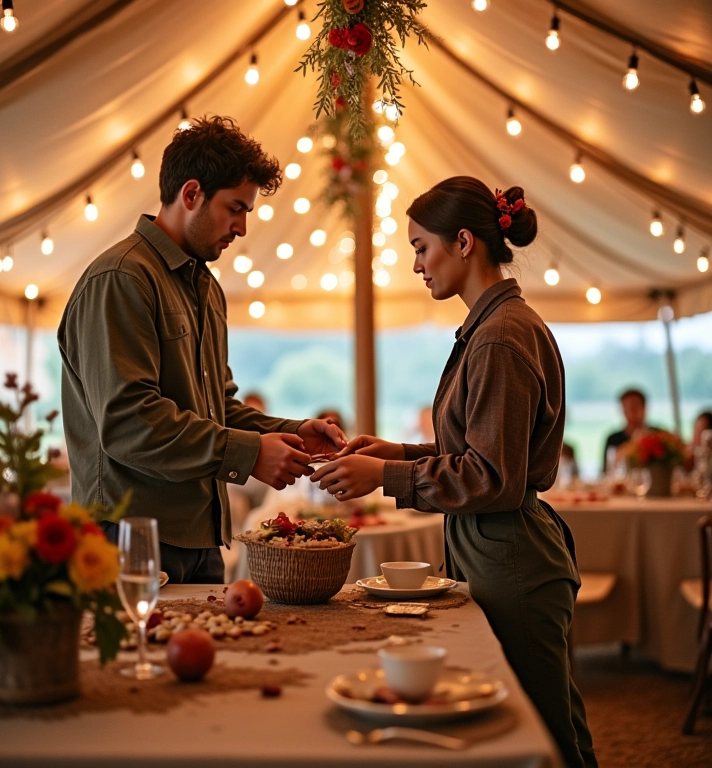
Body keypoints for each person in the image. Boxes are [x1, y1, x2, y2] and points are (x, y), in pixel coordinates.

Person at [311, 176, 596, 767]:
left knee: (543, 737)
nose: (416, 263)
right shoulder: (492, 328)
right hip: (495, 552)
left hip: (512, 561)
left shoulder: (499, 338)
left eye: (421, 246)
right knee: (542, 722)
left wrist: (383, 479)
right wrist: (395, 453)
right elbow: (473, 451)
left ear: (463, 242)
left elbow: (492, 478)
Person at [58, 116, 345, 584]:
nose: (243, 227)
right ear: (191, 194)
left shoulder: (206, 288)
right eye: (236, 207)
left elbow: (217, 409)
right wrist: (249, 454)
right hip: (126, 537)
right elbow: (129, 422)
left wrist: (292, 432)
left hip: (203, 540)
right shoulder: (121, 279)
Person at [602, 389, 655, 474]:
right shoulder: (613, 439)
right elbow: (606, 471)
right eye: (626, 407)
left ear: (644, 408)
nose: (630, 412)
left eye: (634, 407)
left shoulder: (658, 436)